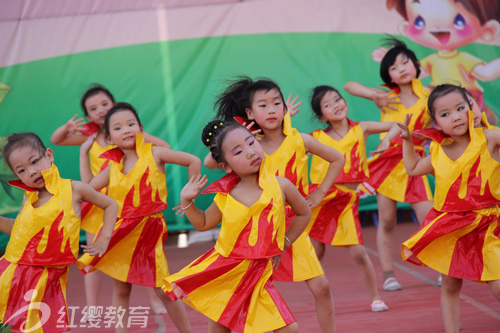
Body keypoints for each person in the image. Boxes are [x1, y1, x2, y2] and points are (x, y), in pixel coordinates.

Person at [210, 77, 344, 333]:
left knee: (322, 287)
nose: (271, 110)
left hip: (294, 226)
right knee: (243, 292)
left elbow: (336, 158)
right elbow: (210, 161)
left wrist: (320, 192)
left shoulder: (300, 139)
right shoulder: (249, 145)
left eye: (276, 103)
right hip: (259, 232)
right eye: (263, 105)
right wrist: (239, 129)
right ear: (249, 113)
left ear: (284, 108)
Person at [164, 120, 311, 333]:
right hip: (226, 271)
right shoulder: (226, 195)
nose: (250, 152)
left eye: (251, 143)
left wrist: (285, 243)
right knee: (221, 327)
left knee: (289, 329)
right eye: (238, 152)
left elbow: (304, 212)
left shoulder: (281, 185)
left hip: (259, 272)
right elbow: (203, 223)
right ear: (225, 166)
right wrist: (187, 201)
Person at [50, 84, 169, 318]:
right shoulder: (89, 137)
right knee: (94, 256)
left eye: (105, 104)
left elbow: (164, 148)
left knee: (143, 256)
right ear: (87, 116)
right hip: (99, 206)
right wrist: (67, 127)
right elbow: (57, 140)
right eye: (93, 108)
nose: (101, 110)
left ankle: (155, 302)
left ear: (114, 104)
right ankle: (92, 308)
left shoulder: (132, 136)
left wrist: (148, 158)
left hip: (130, 205)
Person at [77, 102, 198, 333]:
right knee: (121, 290)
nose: (127, 130)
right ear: (110, 137)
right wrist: (84, 153)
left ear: (141, 127)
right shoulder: (112, 168)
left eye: (131, 124)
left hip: (150, 229)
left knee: (163, 290)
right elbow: (88, 189)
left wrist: (188, 198)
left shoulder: (155, 153)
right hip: (122, 233)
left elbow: (193, 160)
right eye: (118, 127)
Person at [399, 84, 500, 333]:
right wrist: (407, 142)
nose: (455, 116)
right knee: (450, 286)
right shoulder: (436, 150)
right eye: (445, 114)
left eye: (460, 108)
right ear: (435, 123)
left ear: (470, 109)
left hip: (490, 225)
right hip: (452, 228)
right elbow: (412, 169)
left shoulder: (490, 138)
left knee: (497, 283)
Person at [0, 132, 117, 332]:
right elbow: (18, 231)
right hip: (13, 273)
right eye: (21, 170)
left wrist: (104, 238)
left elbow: (110, 204)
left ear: (49, 155)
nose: (31, 171)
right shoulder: (28, 198)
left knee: (46, 326)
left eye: (35, 161)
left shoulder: (75, 189)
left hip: (49, 277)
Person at [344, 37, 434, 291]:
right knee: (387, 220)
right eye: (394, 67)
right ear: (389, 76)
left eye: (405, 62)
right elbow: (349, 85)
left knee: (428, 218)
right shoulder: (387, 97)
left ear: (416, 66)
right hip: (387, 164)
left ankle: (439, 267)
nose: (402, 68)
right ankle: (388, 274)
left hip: (415, 162)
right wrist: (376, 96)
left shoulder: (430, 95)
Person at [308, 85, 402, 312]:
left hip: (347, 200)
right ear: (322, 116)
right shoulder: (315, 138)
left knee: (359, 252)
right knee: (316, 251)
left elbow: (398, 124)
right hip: (322, 199)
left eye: (337, 99)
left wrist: (388, 140)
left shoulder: (362, 128)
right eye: (328, 105)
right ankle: (318, 295)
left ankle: (376, 297)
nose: (336, 105)